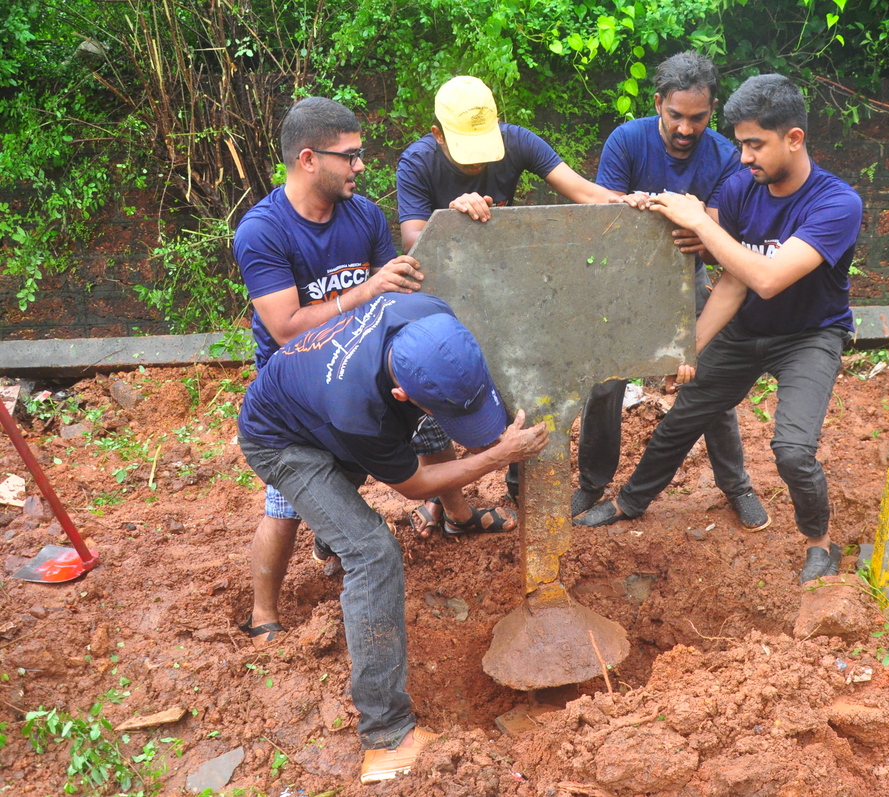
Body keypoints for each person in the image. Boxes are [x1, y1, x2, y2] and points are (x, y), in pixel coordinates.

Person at [237, 292, 549, 783]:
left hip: (317, 411)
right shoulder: (358, 409)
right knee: (371, 550)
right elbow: (413, 487)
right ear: (403, 396)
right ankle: (386, 737)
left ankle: (331, 529)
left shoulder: (431, 314)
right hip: (282, 440)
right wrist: (496, 457)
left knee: (346, 506)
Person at [575, 74, 863, 587]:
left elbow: (768, 278)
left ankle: (820, 543)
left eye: (755, 145)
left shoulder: (836, 204)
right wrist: (688, 351)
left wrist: (701, 222)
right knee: (682, 417)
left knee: (793, 451)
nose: (745, 157)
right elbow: (732, 283)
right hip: (746, 328)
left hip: (809, 336)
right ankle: (631, 500)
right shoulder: (740, 190)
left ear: (793, 138)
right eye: (741, 144)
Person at [234, 96, 427, 648]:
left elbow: (390, 295)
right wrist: (363, 292)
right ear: (309, 158)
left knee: (351, 468)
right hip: (292, 394)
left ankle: (330, 535)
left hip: (351, 372)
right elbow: (288, 329)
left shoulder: (362, 215)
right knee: (286, 505)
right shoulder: (263, 231)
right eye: (351, 155)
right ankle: (263, 613)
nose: (362, 166)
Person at [395, 74, 620, 531]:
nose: (478, 164)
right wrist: (452, 217)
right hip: (448, 302)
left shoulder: (518, 142)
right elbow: (414, 239)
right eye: (465, 151)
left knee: (525, 379)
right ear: (437, 134)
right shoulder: (417, 162)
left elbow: (585, 194)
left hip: (508, 288)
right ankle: (449, 500)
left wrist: (631, 205)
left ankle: (521, 484)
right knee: (450, 396)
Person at [575, 51, 767, 530]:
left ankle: (736, 484)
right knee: (604, 384)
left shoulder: (726, 156)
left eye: (698, 118)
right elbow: (605, 223)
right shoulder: (627, 140)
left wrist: (702, 234)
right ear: (659, 103)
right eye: (676, 115)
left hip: (689, 278)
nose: (685, 129)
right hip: (622, 281)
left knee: (709, 380)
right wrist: (647, 213)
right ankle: (591, 482)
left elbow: (724, 243)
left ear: (712, 111)